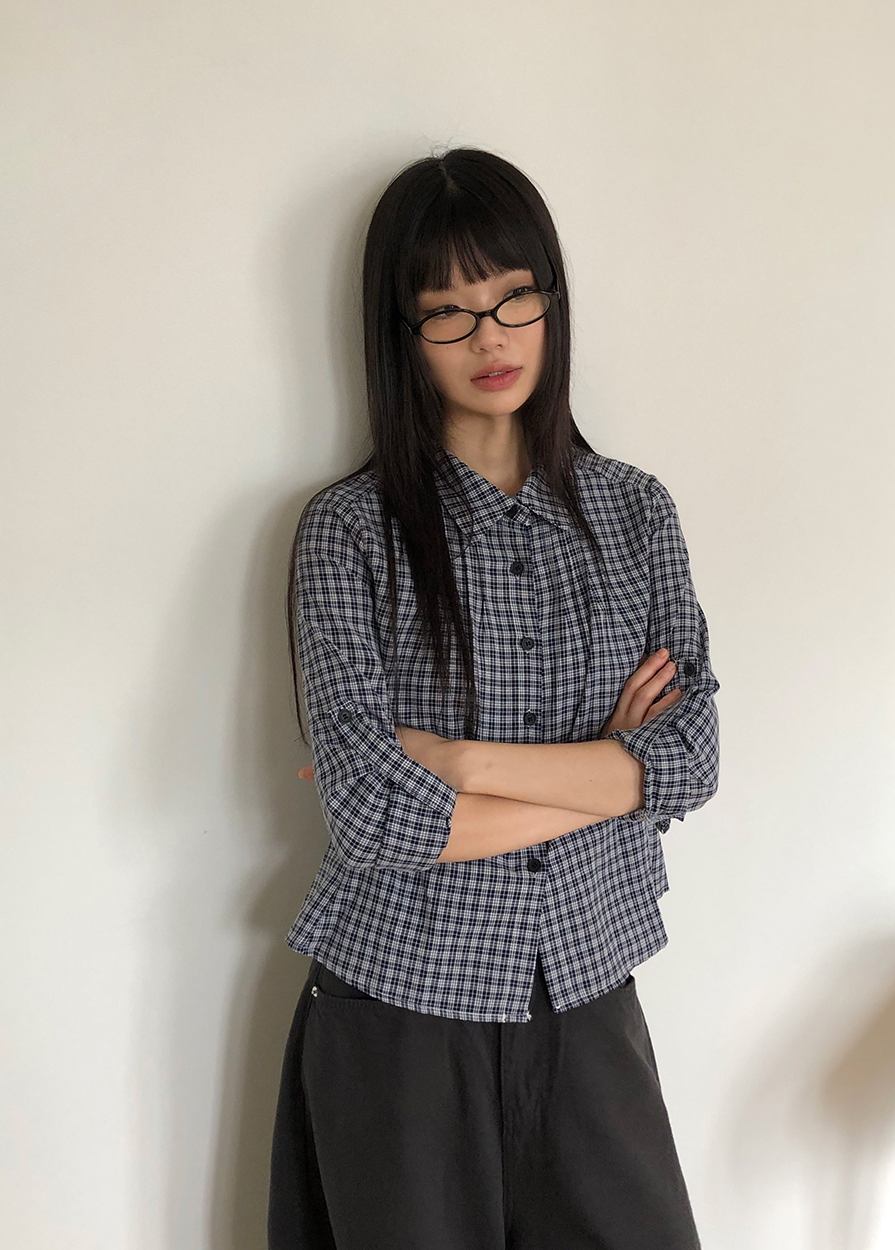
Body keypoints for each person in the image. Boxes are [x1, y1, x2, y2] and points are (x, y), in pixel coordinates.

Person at [267, 147, 719, 1250]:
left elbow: (693, 760)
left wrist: (461, 763)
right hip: (398, 1009)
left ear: (551, 299)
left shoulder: (635, 514)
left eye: (514, 296)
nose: (490, 337)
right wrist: (610, 774)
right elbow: (370, 817)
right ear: (403, 332)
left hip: (588, 987)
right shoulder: (348, 532)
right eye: (447, 311)